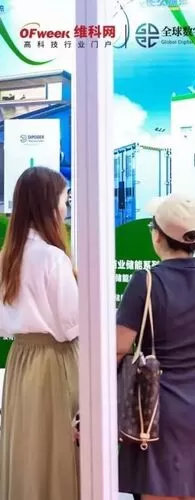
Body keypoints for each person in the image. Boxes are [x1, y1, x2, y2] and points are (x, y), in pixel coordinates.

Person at [117, 193, 195, 500]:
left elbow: (119, 346)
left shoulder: (145, 282)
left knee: (159, 491)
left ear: (157, 235)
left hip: (157, 406)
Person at [0, 167, 79, 500]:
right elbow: (71, 323)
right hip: (54, 360)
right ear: (48, 204)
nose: (66, 207)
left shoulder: (8, 256)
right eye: (64, 199)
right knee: (57, 449)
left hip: (20, 359)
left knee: (26, 448)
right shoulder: (53, 258)